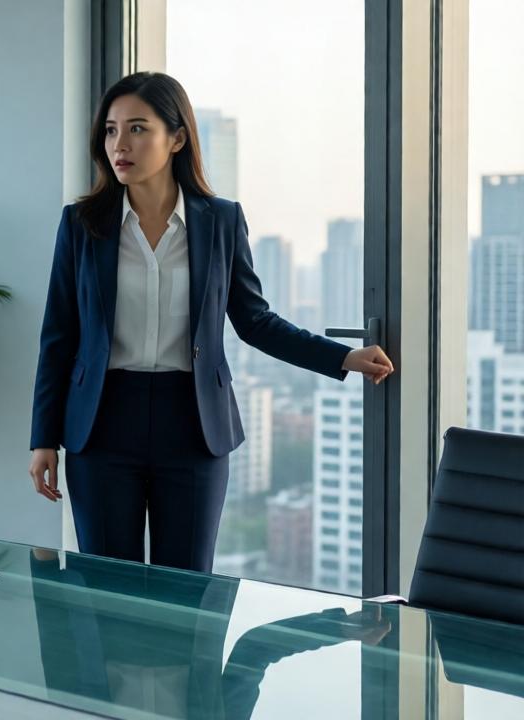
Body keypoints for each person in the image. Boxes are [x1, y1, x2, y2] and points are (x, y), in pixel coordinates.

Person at [28, 72, 393, 572]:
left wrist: (343, 357)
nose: (120, 144)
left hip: (194, 425)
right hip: (102, 426)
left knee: (189, 589)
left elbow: (255, 320)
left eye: (137, 129)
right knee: (107, 591)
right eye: (111, 130)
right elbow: (59, 337)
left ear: (176, 138)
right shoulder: (82, 225)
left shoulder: (220, 221)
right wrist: (42, 438)